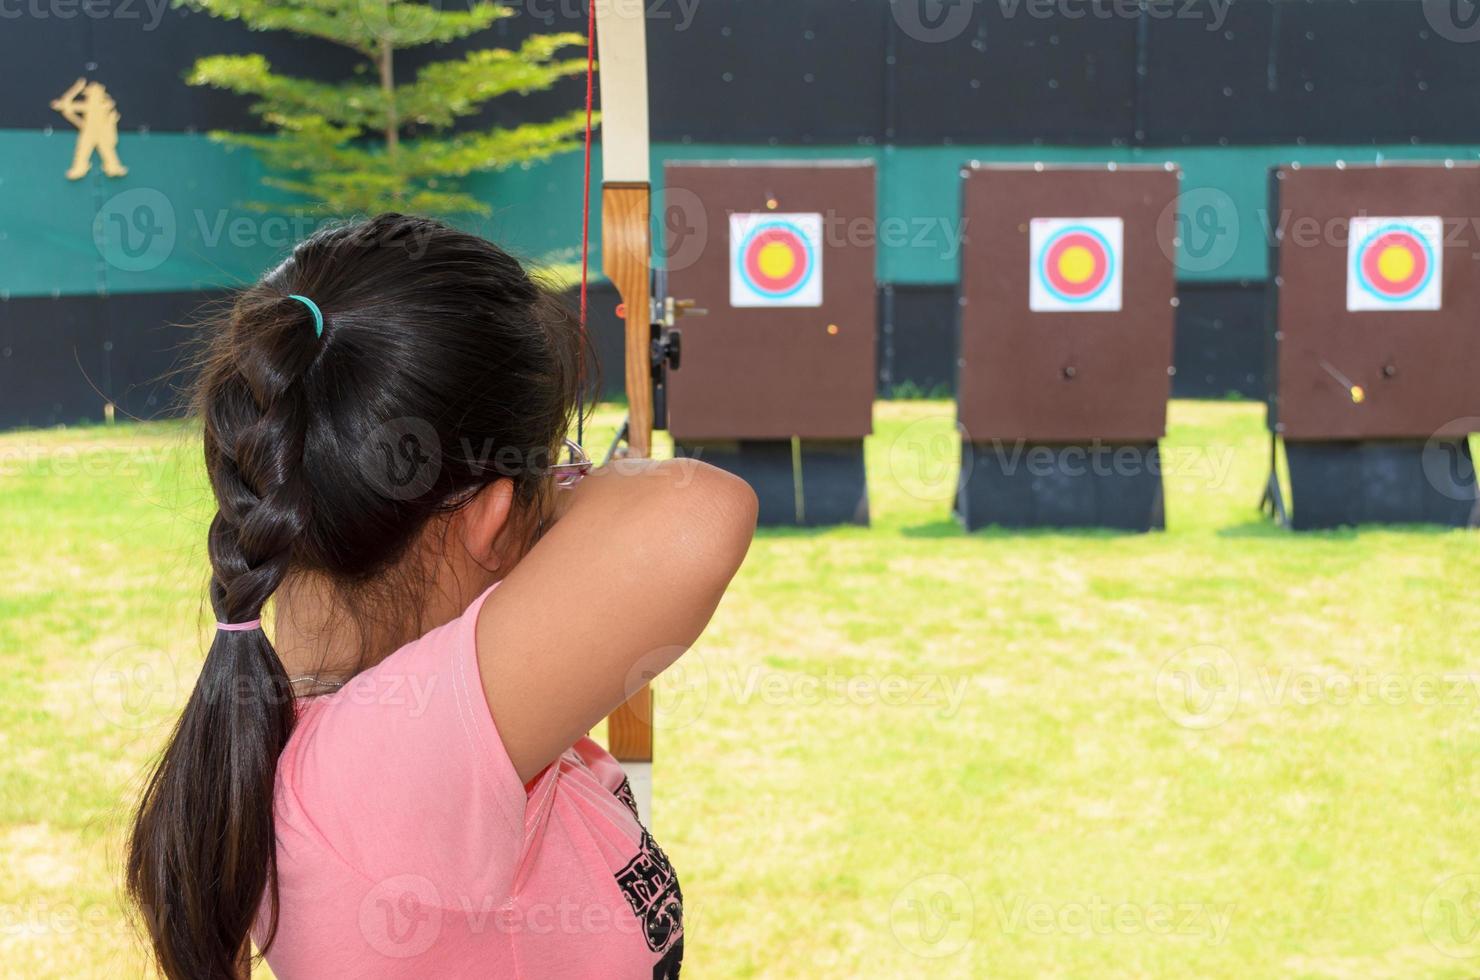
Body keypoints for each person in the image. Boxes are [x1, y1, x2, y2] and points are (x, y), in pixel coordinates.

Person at [126, 214, 757, 979]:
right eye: (560, 463)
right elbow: (698, 513)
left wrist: (534, 488)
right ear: (492, 519)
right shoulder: (385, 765)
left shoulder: (354, 737)